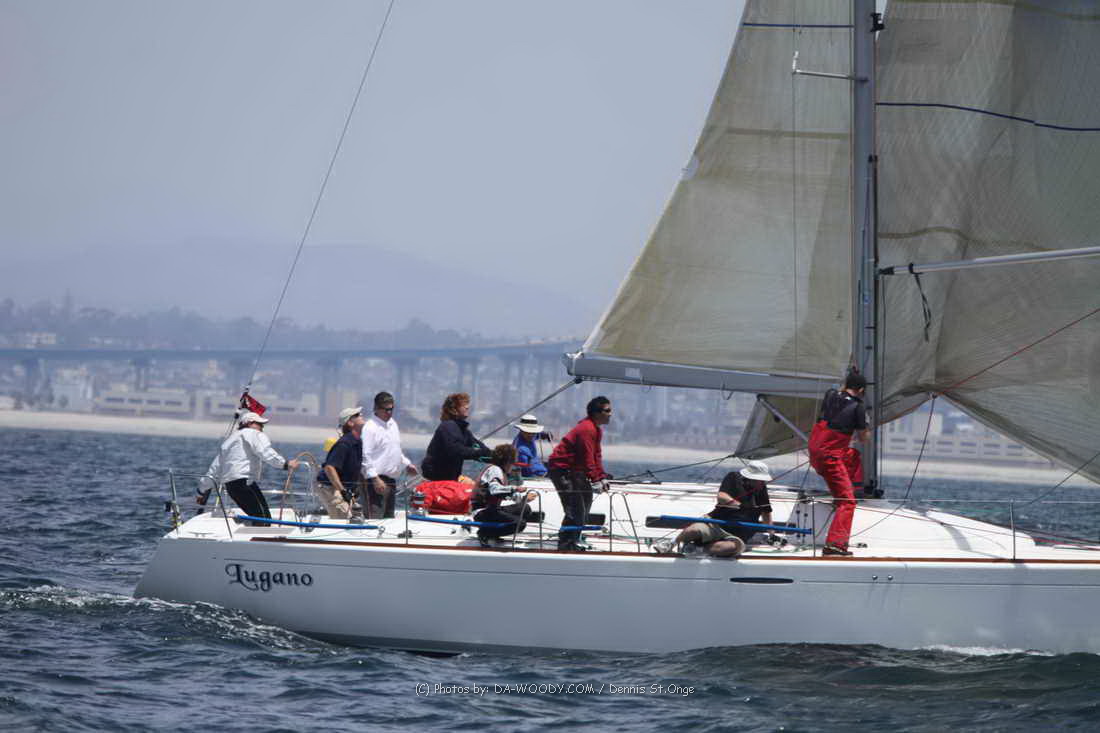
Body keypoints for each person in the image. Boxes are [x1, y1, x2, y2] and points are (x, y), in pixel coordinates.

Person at [198, 411, 300, 525]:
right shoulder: (253, 433)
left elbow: (214, 469)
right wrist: (285, 464)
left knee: (260, 517)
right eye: (259, 424)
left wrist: (201, 491)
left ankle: (256, 532)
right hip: (244, 483)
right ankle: (261, 534)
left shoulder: (230, 440)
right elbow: (264, 451)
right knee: (263, 519)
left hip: (231, 486)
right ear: (249, 423)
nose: (262, 427)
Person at [654, 461, 774, 558]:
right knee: (693, 530)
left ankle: (697, 549)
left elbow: (766, 512)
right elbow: (721, 496)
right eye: (759, 480)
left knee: (730, 547)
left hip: (738, 534)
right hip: (716, 523)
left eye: (762, 480)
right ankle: (671, 544)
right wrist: (736, 504)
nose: (761, 483)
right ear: (749, 478)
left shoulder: (761, 488)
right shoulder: (733, 477)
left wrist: (771, 534)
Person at [808, 371, 869, 557]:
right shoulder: (859, 407)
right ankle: (835, 546)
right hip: (830, 456)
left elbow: (839, 398)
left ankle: (845, 490)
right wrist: (866, 424)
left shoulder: (830, 394)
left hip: (815, 450)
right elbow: (864, 438)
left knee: (853, 456)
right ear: (862, 390)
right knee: (848, 502)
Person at [547, 396, 612, 551]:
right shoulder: (586, 429)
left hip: (576, 472)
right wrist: (595, 480)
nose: (610, 414)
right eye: (607, 410)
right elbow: (587, 456)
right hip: (563, 470)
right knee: (574, 509)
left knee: (586, 502)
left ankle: (574, 540)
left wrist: (601, 477)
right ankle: (565, 544)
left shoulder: (596, 429)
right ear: (596, 413)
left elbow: (596, 455)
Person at [361, 391, 418, 518]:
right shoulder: (370, 427)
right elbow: (365, 456)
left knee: (389, 518)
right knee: (375, 518)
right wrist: (375, 479)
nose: (389, 413)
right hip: (375, 481)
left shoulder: (393, 424)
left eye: (391, 409)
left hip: (391, 480)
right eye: (386, 410)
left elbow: (395, 450)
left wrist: (407, 464)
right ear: (376, 408)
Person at [471, 444, 538, 547]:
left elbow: (502, 494)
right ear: (507, 462)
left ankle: (494, 532)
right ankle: (485, 533)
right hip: (482, 512)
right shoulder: (495, 470)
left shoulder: (499, 471)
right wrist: (515, 488)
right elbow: (495, 490)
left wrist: (523, 498)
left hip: (492, 510)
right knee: (520, 523)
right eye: (513, 463)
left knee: (525, 508)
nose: (513, 466)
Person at [421, 392, 490, 482]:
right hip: (439, 480)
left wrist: (497, 457)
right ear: (454, 409)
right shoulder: (448, 426)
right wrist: (479, 452)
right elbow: (457, 450)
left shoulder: (463, 431)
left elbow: (478, 447)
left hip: (451, 479)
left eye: (467, 404)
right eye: (463, 405)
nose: (467, 407)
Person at [317, 406, 366, 520]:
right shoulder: (344, 443)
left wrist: (354, 488)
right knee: (344, 519)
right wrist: (343, 491)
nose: (361, 415)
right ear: (350, 422)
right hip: (331, 488)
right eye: (357, 415)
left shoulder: (357, 441)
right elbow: (329, 468)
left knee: (356, 518)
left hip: (344, 489)